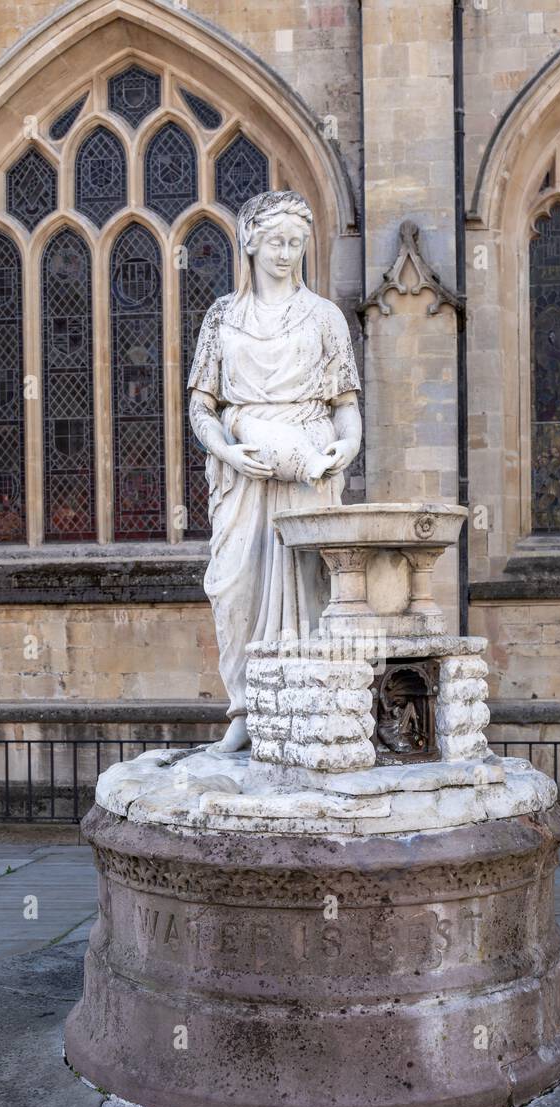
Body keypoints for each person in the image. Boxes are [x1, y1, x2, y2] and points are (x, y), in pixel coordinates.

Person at [188, 190, 362, 752]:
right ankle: (244, 709)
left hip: (308, 459)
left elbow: (346, 405)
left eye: (295, 243)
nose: (286, 254)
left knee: (310, 585)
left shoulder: (325, 317)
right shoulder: (222, 318)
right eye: (276, 242)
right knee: (233, 583)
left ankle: (312, 707)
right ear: (250, 243)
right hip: (243, 469)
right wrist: (227, 451)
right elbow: (200, 407)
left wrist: (349, 448)